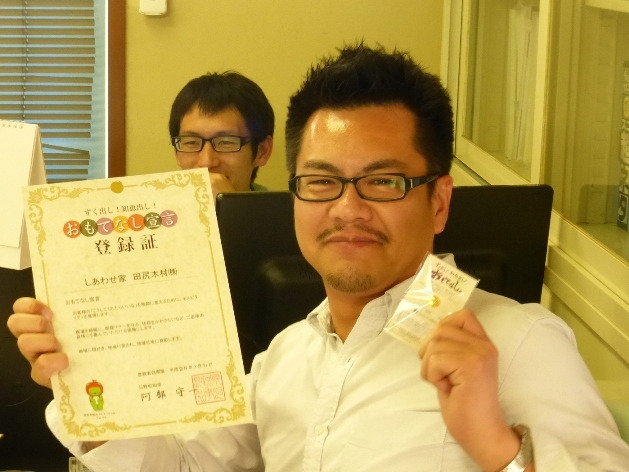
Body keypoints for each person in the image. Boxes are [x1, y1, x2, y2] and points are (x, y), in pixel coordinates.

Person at [8, 44, 629, 471]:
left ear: (439, 202)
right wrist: (87, 378)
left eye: (383, 181)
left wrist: (497, 448)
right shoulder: (284, 359)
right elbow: (186, 463)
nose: (347, 209)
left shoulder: (517, 342)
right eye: (322, 181)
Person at [169, 71, 274, 199]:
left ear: (262, 152)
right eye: (191, 142)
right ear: (176, 152)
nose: (206, 162)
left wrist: (231, 206)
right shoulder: (157, 207)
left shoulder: (285, 211)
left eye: (226, 142)